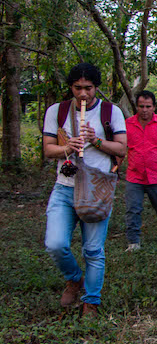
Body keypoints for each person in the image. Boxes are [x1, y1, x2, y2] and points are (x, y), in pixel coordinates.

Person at [42, 63, 127, 317]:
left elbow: (122, 149)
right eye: (77, 88)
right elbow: (48, 150)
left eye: (88, 88)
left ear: (96, 88)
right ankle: (74, 277)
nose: (83, 94)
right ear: (71, 87)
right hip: (65, 187)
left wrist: (95, 140)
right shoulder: (57, 111)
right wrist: (68, 147)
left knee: (93, 249)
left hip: (97, 189)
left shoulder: (111, 112)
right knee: (55, 243)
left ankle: (92, 300)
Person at [124, 90, 157, 251]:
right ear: (136, 107)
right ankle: (133, 243)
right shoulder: (127, 124)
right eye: (141, 106)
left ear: (154, 107)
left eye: (148, 106)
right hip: (135, 175)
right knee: (133, 210)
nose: (144, 110)